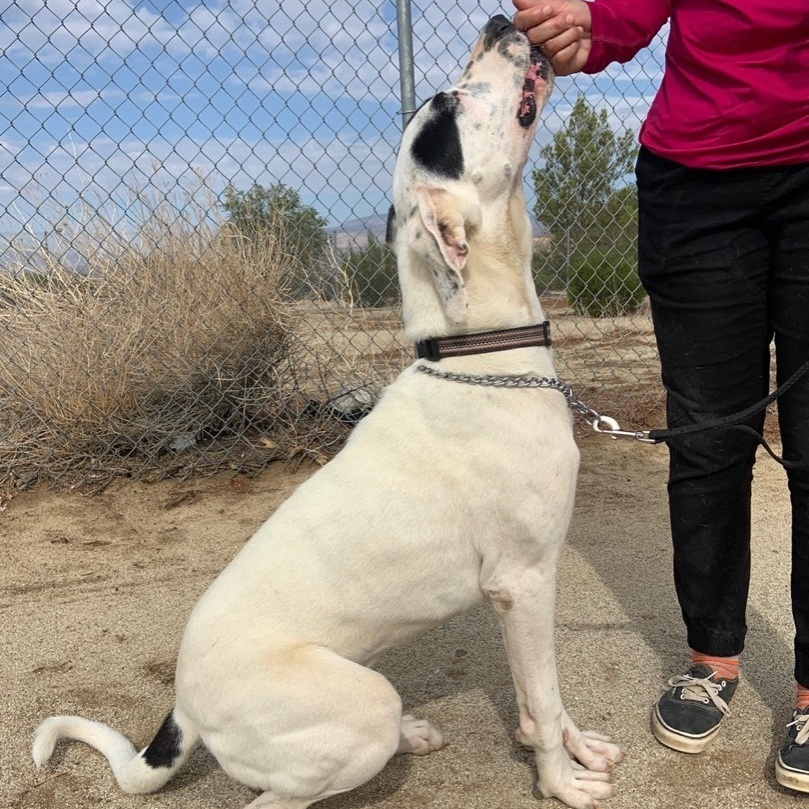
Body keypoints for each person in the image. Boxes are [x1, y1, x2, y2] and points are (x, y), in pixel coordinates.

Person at [512, 0, 809, 791]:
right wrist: (586, 24)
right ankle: (711, 658)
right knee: (708, 442)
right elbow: (621, 12)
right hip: (696, 185)